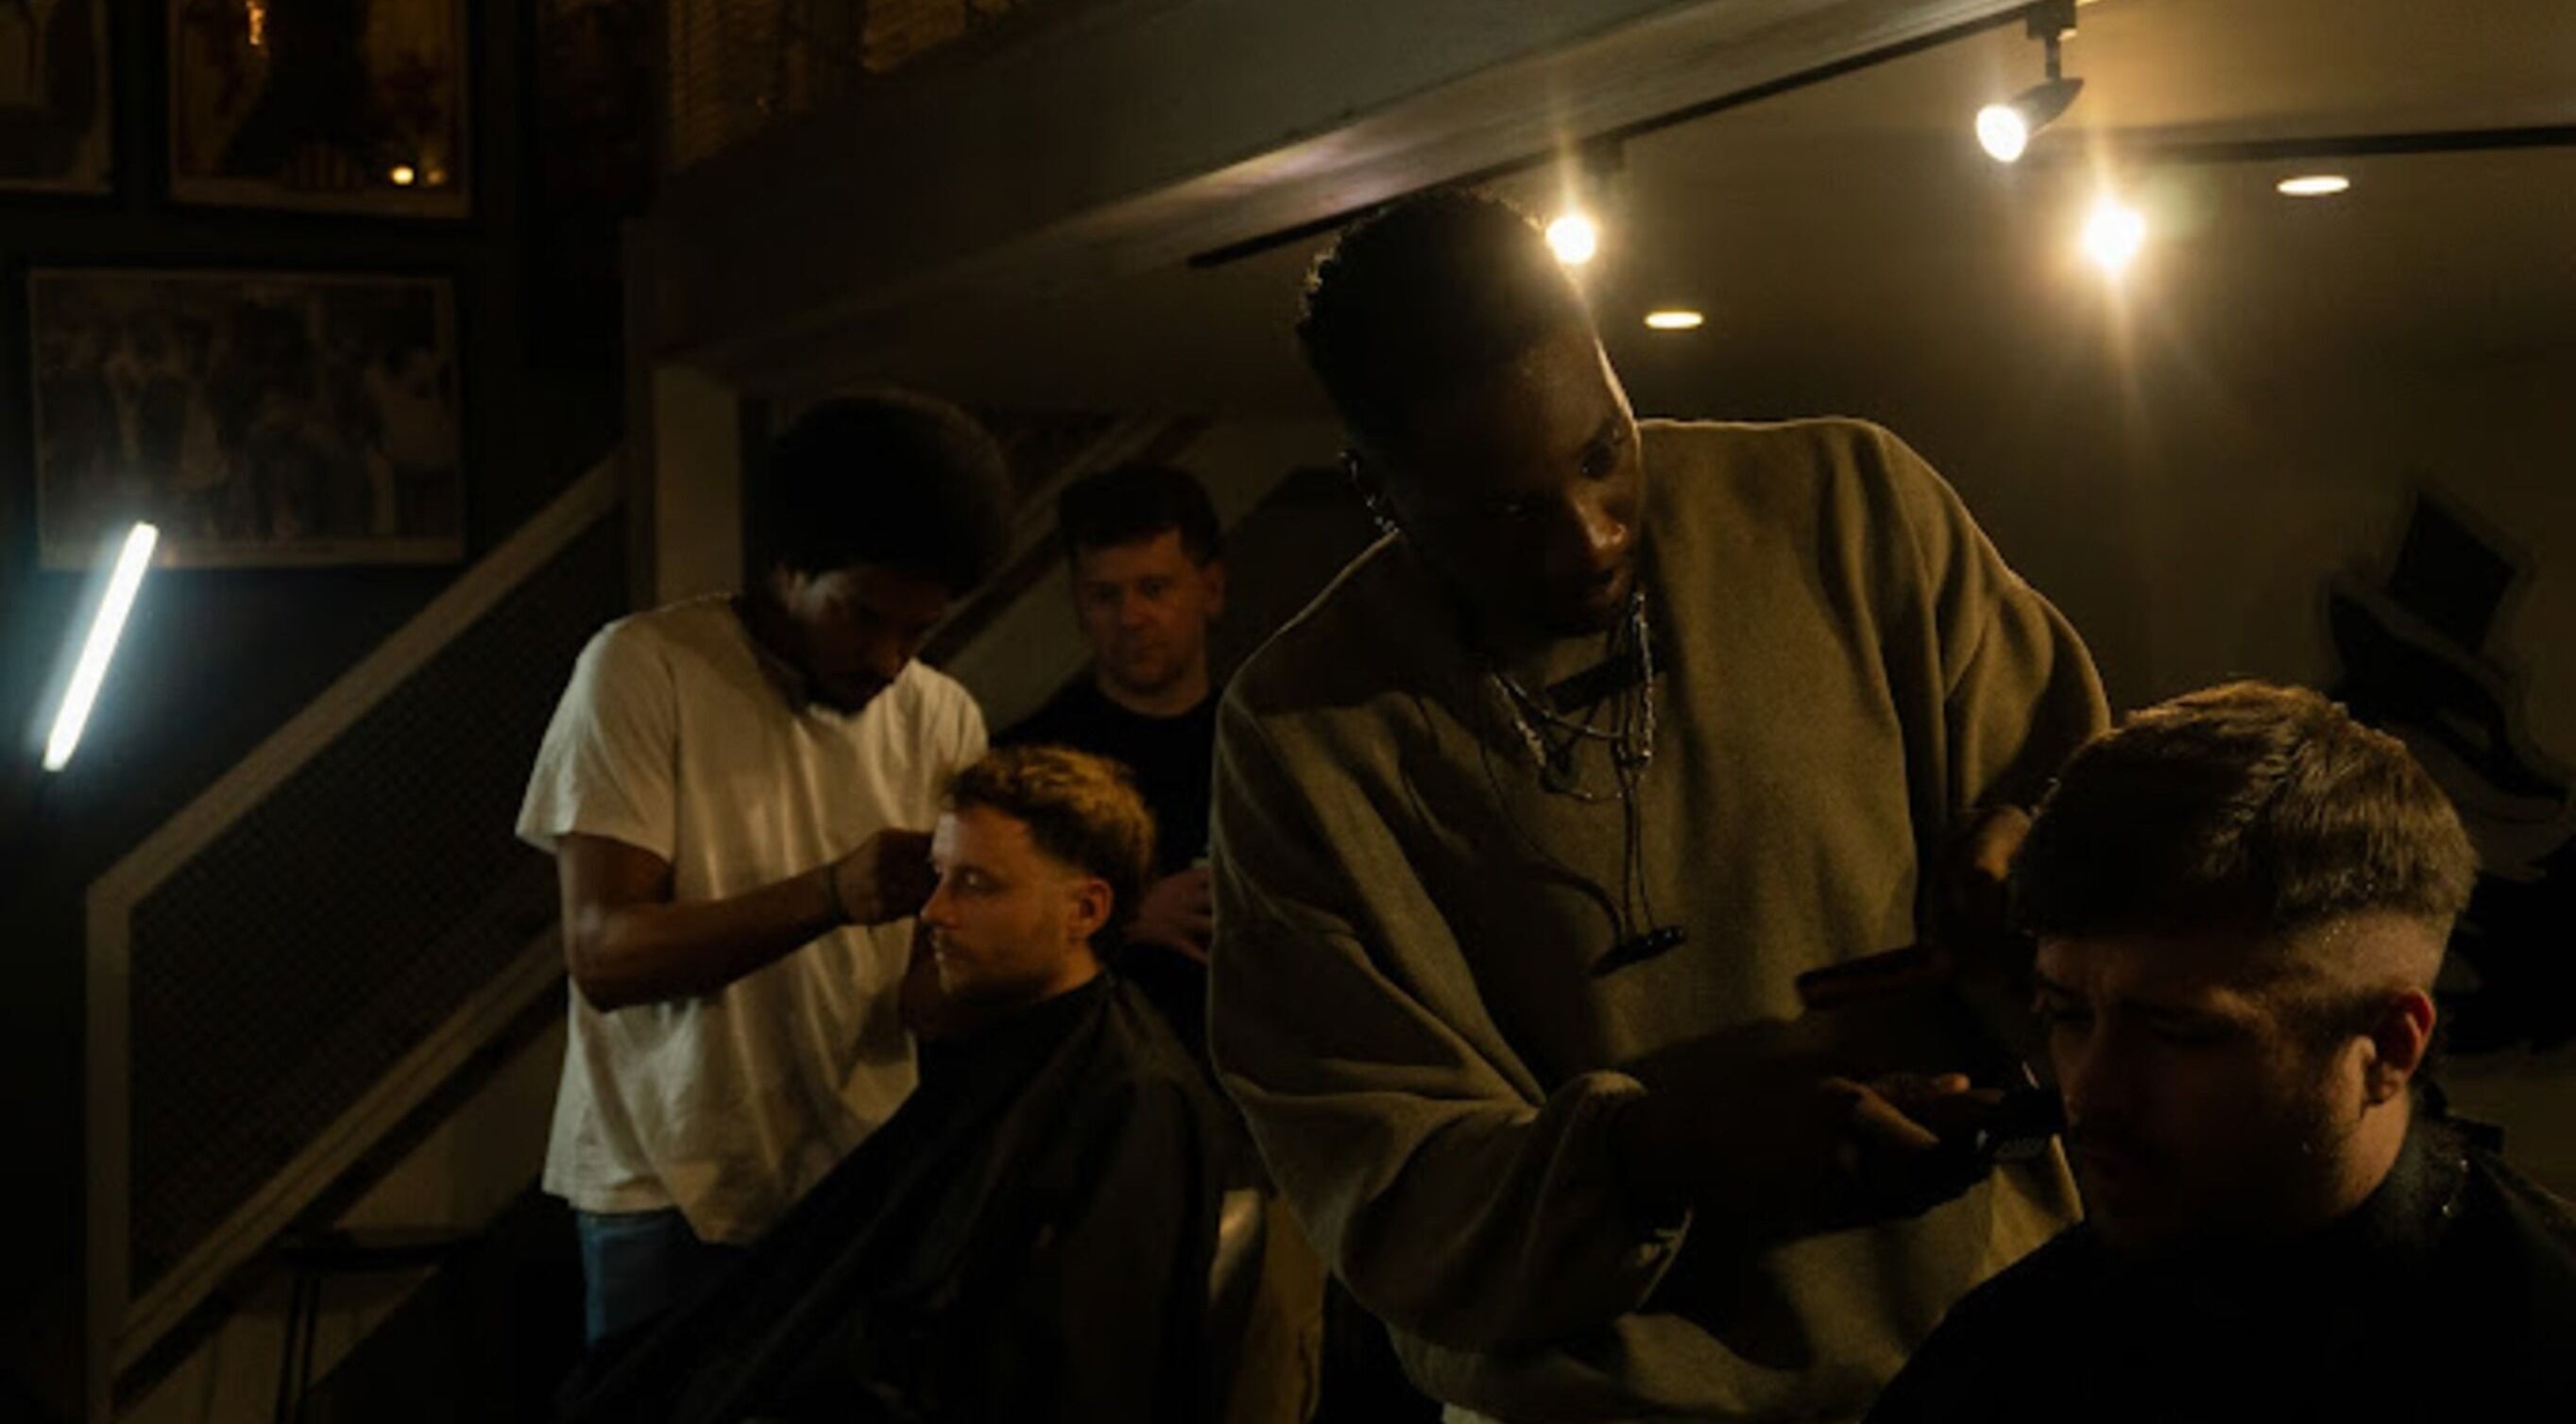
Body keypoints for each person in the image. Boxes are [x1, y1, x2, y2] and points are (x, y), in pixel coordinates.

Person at [1207, 189, 2107, 1421]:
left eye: (1603, 452)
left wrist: (2026, 859)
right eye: (1506, 512)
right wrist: (1667, 1155)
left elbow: (2087, 802)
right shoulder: (1303, 732)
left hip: (1988, 1353)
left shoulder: (1845, 506)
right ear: (1374, 488)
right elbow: (1378, 1176)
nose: (1585, 538)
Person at [1866, 682, 2576, 1423]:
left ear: (2389, 1048)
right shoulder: (2001, 1360)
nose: (2091, 1093)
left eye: (2178, 1033)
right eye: (2066, 1014)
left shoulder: (2540, 1346)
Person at [518, 391, 1014, 1345]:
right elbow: (604, 955)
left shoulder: (942, 711)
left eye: (919, 630)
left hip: (858, 1175)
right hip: (663, 1182)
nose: (889, 658)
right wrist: (830, 893)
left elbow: (922, 991)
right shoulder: (645, 667)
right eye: (862, 615)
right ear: (788, 569)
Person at [560, 746, 1237, 1423]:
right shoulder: (1003, 1051)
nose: (934, 912)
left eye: (975, 884)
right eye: (938, 877)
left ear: (1085, 910)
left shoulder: (1134, 1098)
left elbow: (1076, 1377)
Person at [1002, 462, 1229, 1048]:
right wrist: (1124, 916)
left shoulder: (1267, 749)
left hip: (1246, 1086)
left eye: (1154, 589)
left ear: (1210, 590)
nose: (1130, 618)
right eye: (1105, 595)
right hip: (1088, 1079)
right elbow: (984, 937)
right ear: (1078, 604)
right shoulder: (1028, 764)